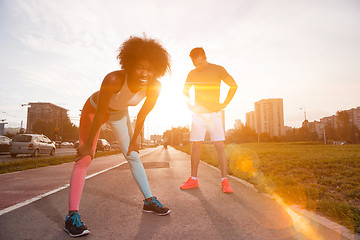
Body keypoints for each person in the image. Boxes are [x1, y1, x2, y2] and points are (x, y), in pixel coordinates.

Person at [64, 36, 171, 237]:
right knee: (85, 158)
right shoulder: (113, 79)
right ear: (129, 65)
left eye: (150, 69)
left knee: (133, 155)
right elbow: (101, 111)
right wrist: (88, 144)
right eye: (140, 67)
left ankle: (149, 201)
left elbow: (141, 115)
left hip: (120, 114)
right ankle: (72, 216)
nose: (145, 73)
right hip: (94, 111)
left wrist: (135, 141)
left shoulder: (154, 87)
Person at [180, 47, 238, 193]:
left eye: (200, 63)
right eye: (195, 64)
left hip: (214, 114)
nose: (197, 67)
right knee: (195, 146)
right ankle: (193, 180)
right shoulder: (192, 73)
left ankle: (225, 181)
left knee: (219, 146)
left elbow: (233, 85)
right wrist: (190, 106)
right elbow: (185, 91)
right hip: (199, 115)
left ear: (205, 57)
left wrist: (225, 104)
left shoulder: (218, 69)